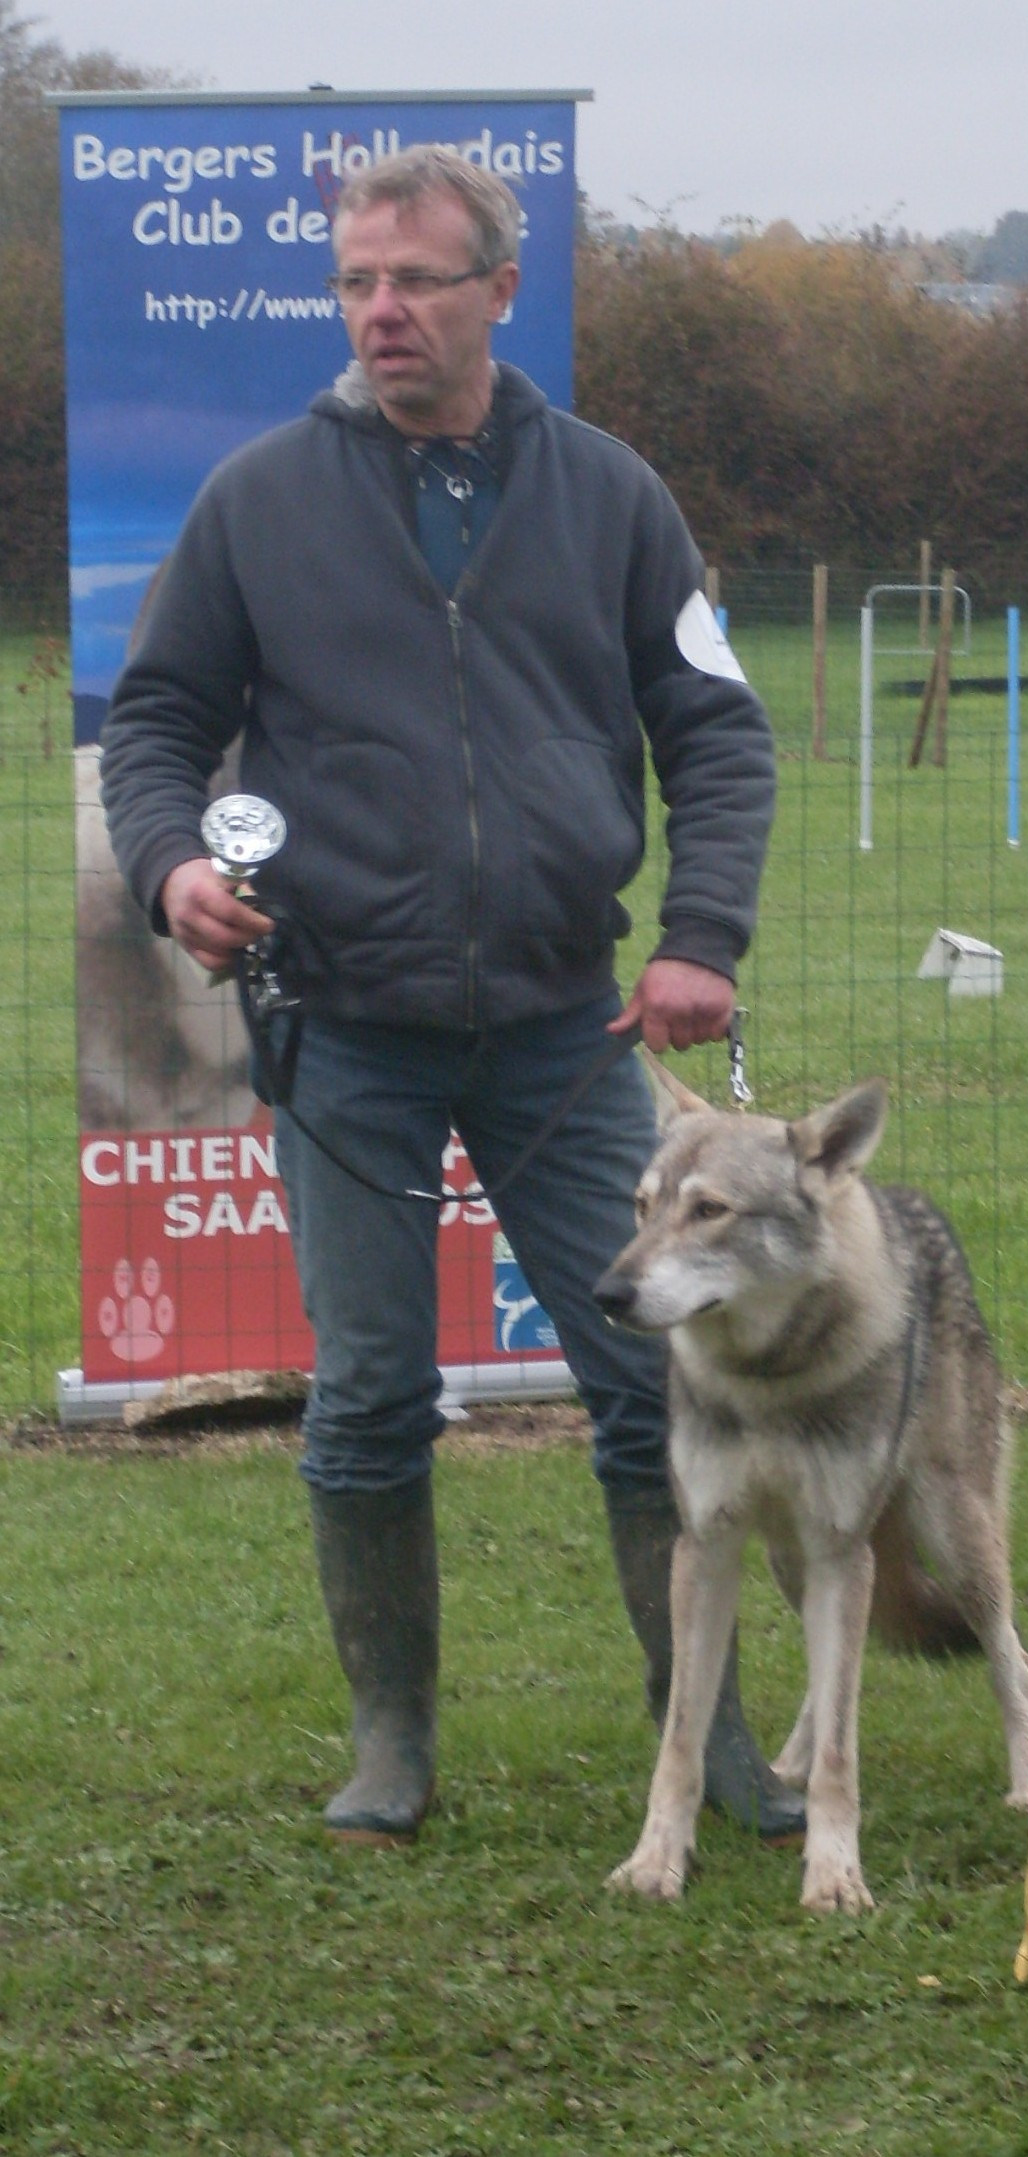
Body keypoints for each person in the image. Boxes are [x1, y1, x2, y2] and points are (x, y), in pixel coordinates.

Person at [100, 145, 803, 1849]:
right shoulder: (259, 499)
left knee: (656, 1386)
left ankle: (698, 1740)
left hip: (571, 1035)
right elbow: (156, 726)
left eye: (415, 277)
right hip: (341, 1024)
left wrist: (699, 931)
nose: (381, 309)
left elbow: (713, 727)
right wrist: (172, 867)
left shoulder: (617, 495)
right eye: (354, 281)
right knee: (362, 1395)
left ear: (500, 286)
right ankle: (392, 1742)